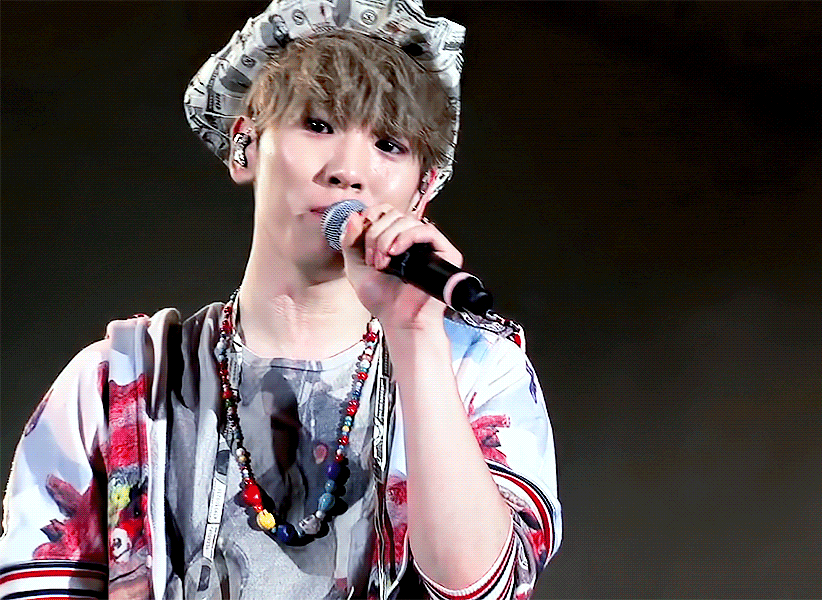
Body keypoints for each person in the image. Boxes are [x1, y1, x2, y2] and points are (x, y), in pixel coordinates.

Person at [0, 1, 561, 598]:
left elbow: (481, 586)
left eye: (389, 144)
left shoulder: (479, 372)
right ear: (245, 144)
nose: (348, 170)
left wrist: (416, 335)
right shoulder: (117, 387)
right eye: (318, 125)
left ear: (424, 187)